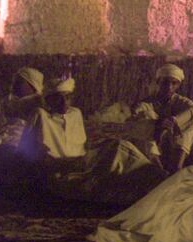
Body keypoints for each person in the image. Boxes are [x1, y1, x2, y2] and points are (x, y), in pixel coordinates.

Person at [20, 77, 167, 207]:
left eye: (68, 97)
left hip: (83, 165)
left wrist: (93, 153)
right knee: (118, 150)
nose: (64, 102)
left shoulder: (75, 113)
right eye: (58, 98)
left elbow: (82, 146)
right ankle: (160, 179)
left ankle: (156, 177)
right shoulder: (40, 115)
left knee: (119, 149)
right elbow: (28, 153)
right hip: (63, 174)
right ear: (49, 100)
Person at [126, 64, 193, 172]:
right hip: (154, 147)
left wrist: (175, 121)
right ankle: (158, 169)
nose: (169, 87)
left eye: (174, 83)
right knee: (146, 116)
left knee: (189, 123)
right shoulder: (147, 103)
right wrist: (157, 124)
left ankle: (176, 167)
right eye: (165, 82)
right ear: (158, 82)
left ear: (178, 85)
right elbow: (133, 121)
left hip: (175, 146)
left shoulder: (182, 102)